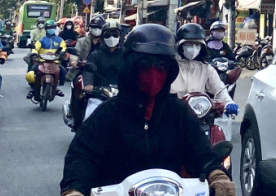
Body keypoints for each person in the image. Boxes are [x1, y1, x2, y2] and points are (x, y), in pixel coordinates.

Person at [60, 23, 235, 196]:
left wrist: (216, 174)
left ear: (169, 72)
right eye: (145, 66)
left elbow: (199, 151)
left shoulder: (179, 112)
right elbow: (82, 157)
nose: (153, 75)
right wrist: (74, 189)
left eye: (161, 68)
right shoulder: (108, 114)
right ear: (130, 68)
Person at [171, 23, 237, 110]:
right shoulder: (171, 66)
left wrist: (228, 102)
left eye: (197, 44)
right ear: (179, 45)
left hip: (198, 110)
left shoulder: (206, 68)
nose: (193, 48)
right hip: (172, 110)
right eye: (189, 43)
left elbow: (218, 88)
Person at [81, 24, 126, 117]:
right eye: (108, 35)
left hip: (122, 96)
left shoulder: (126, 55)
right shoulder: (95, 55)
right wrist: (89, 84)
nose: (111, 38)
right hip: (99, 95)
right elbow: (89, 70)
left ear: (120, 36)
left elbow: (133, 71)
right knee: (89, 116)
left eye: (115, 35)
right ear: (103, 37)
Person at [28, 19, 67, 99]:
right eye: (49, 28)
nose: (51, 29)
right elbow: (35, 48)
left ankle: (57, 87)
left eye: (52, 27)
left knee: (63, 71)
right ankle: (32, 88)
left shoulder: (60, 40)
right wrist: (34, 53)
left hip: (55, 62)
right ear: (46, 29)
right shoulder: (41, 40)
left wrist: (62, 53)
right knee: (32, 72)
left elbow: (63, 48)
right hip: (42, 61)